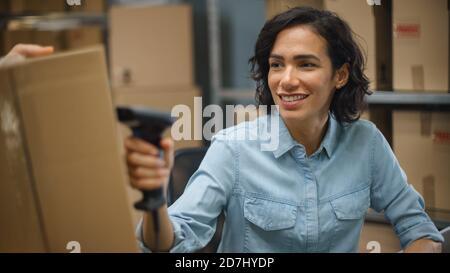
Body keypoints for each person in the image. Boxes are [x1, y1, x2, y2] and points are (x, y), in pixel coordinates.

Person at [125, 6, 444, 253]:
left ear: (341, 75)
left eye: (306, 64)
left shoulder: (367, 143)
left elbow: (421, 231)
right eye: (277, 65)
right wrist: (153, 201)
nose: (286, 80)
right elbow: (171, 242)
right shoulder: (233, 148)